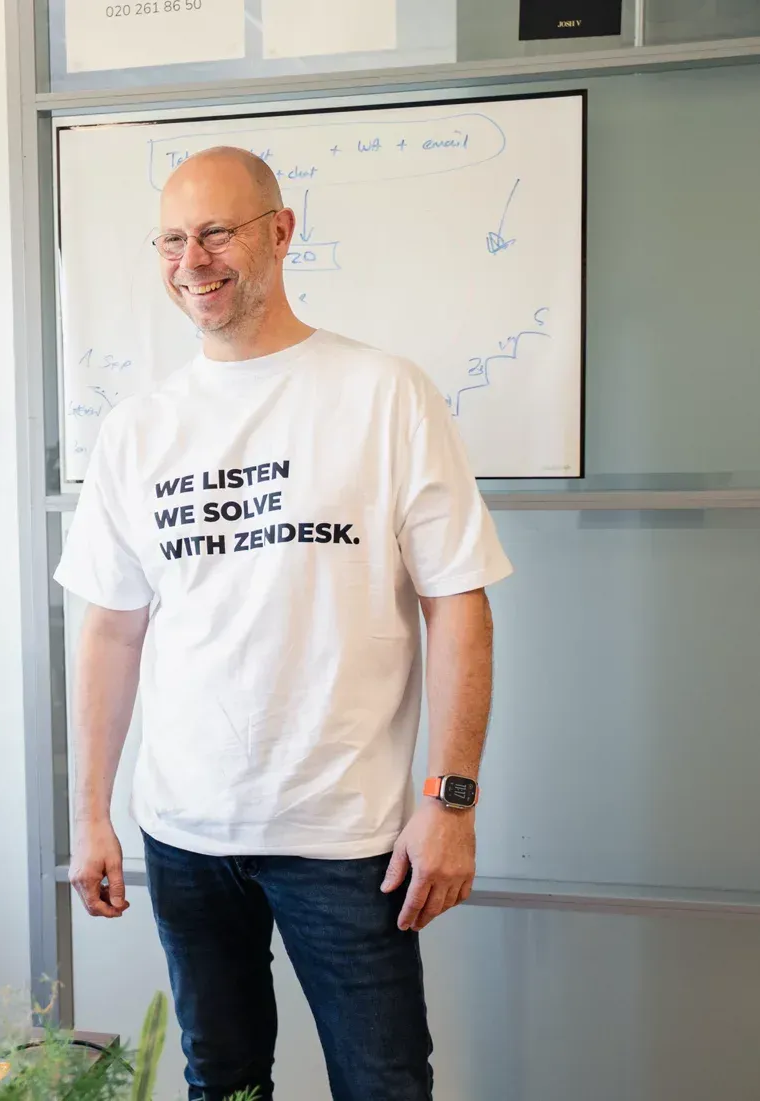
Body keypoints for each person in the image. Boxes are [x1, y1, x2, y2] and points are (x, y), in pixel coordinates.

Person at [57, 147, 511, 1101]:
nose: (194, 261)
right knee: (222, 1081)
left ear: (279, 231)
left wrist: (452, 801)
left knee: (384, 1084)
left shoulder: (384, 393)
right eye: (173, 239)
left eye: (217, 232)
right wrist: (91, 810)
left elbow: (459, 603)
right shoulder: (138, 429)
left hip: (347, 834)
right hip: (184, 831)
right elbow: (111, 628)